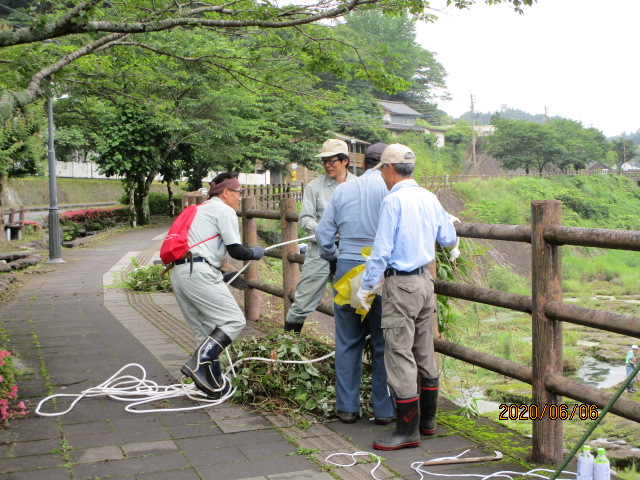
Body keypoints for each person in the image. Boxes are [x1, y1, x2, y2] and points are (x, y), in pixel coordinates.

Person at [357, 144, 457, 451]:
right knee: (424, 350)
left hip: (401, 285)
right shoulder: (429, 197)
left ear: (389, 168)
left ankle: (406, 430)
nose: (383, 177)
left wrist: (366, 286)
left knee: (399, 353)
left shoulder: (394, 201)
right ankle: (428, 422)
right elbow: (448, 237)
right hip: (426, 282)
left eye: (382, 172)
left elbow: (382, 250)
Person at [316, 142, 394, 425]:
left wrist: (334, 259)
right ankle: (384, 410)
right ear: (388, 166)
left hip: (347, 268)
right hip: (382, 270)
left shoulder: (344, 190)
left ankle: (347, 407)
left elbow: (323, 235)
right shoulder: (392, 190)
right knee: (384, 341)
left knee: (348, 340)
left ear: (361, 164)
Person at [172, 172, 266, 398]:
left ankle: (213, 387)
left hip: (179, 272)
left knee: (205, 332)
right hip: (197, 272)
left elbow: (199, 248)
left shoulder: (199, 209)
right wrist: (255, 252)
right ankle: (198, 363)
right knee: (234, 320)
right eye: (238, 193)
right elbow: (236, 250)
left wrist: (223, 275)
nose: (239, 198)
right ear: (226, 192)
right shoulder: (223, 210)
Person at [283, 138, 357, 333]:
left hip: (350, 251)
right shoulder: (314, 187)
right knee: (303, 298)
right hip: (320, 251)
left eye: (332, 161)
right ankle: (288, 345)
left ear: (345, 161)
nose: (327, 165)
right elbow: (306, 219)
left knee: (351, 303)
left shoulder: (360, 186)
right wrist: (326, 234)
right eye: (324, 161)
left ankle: (346, 353)